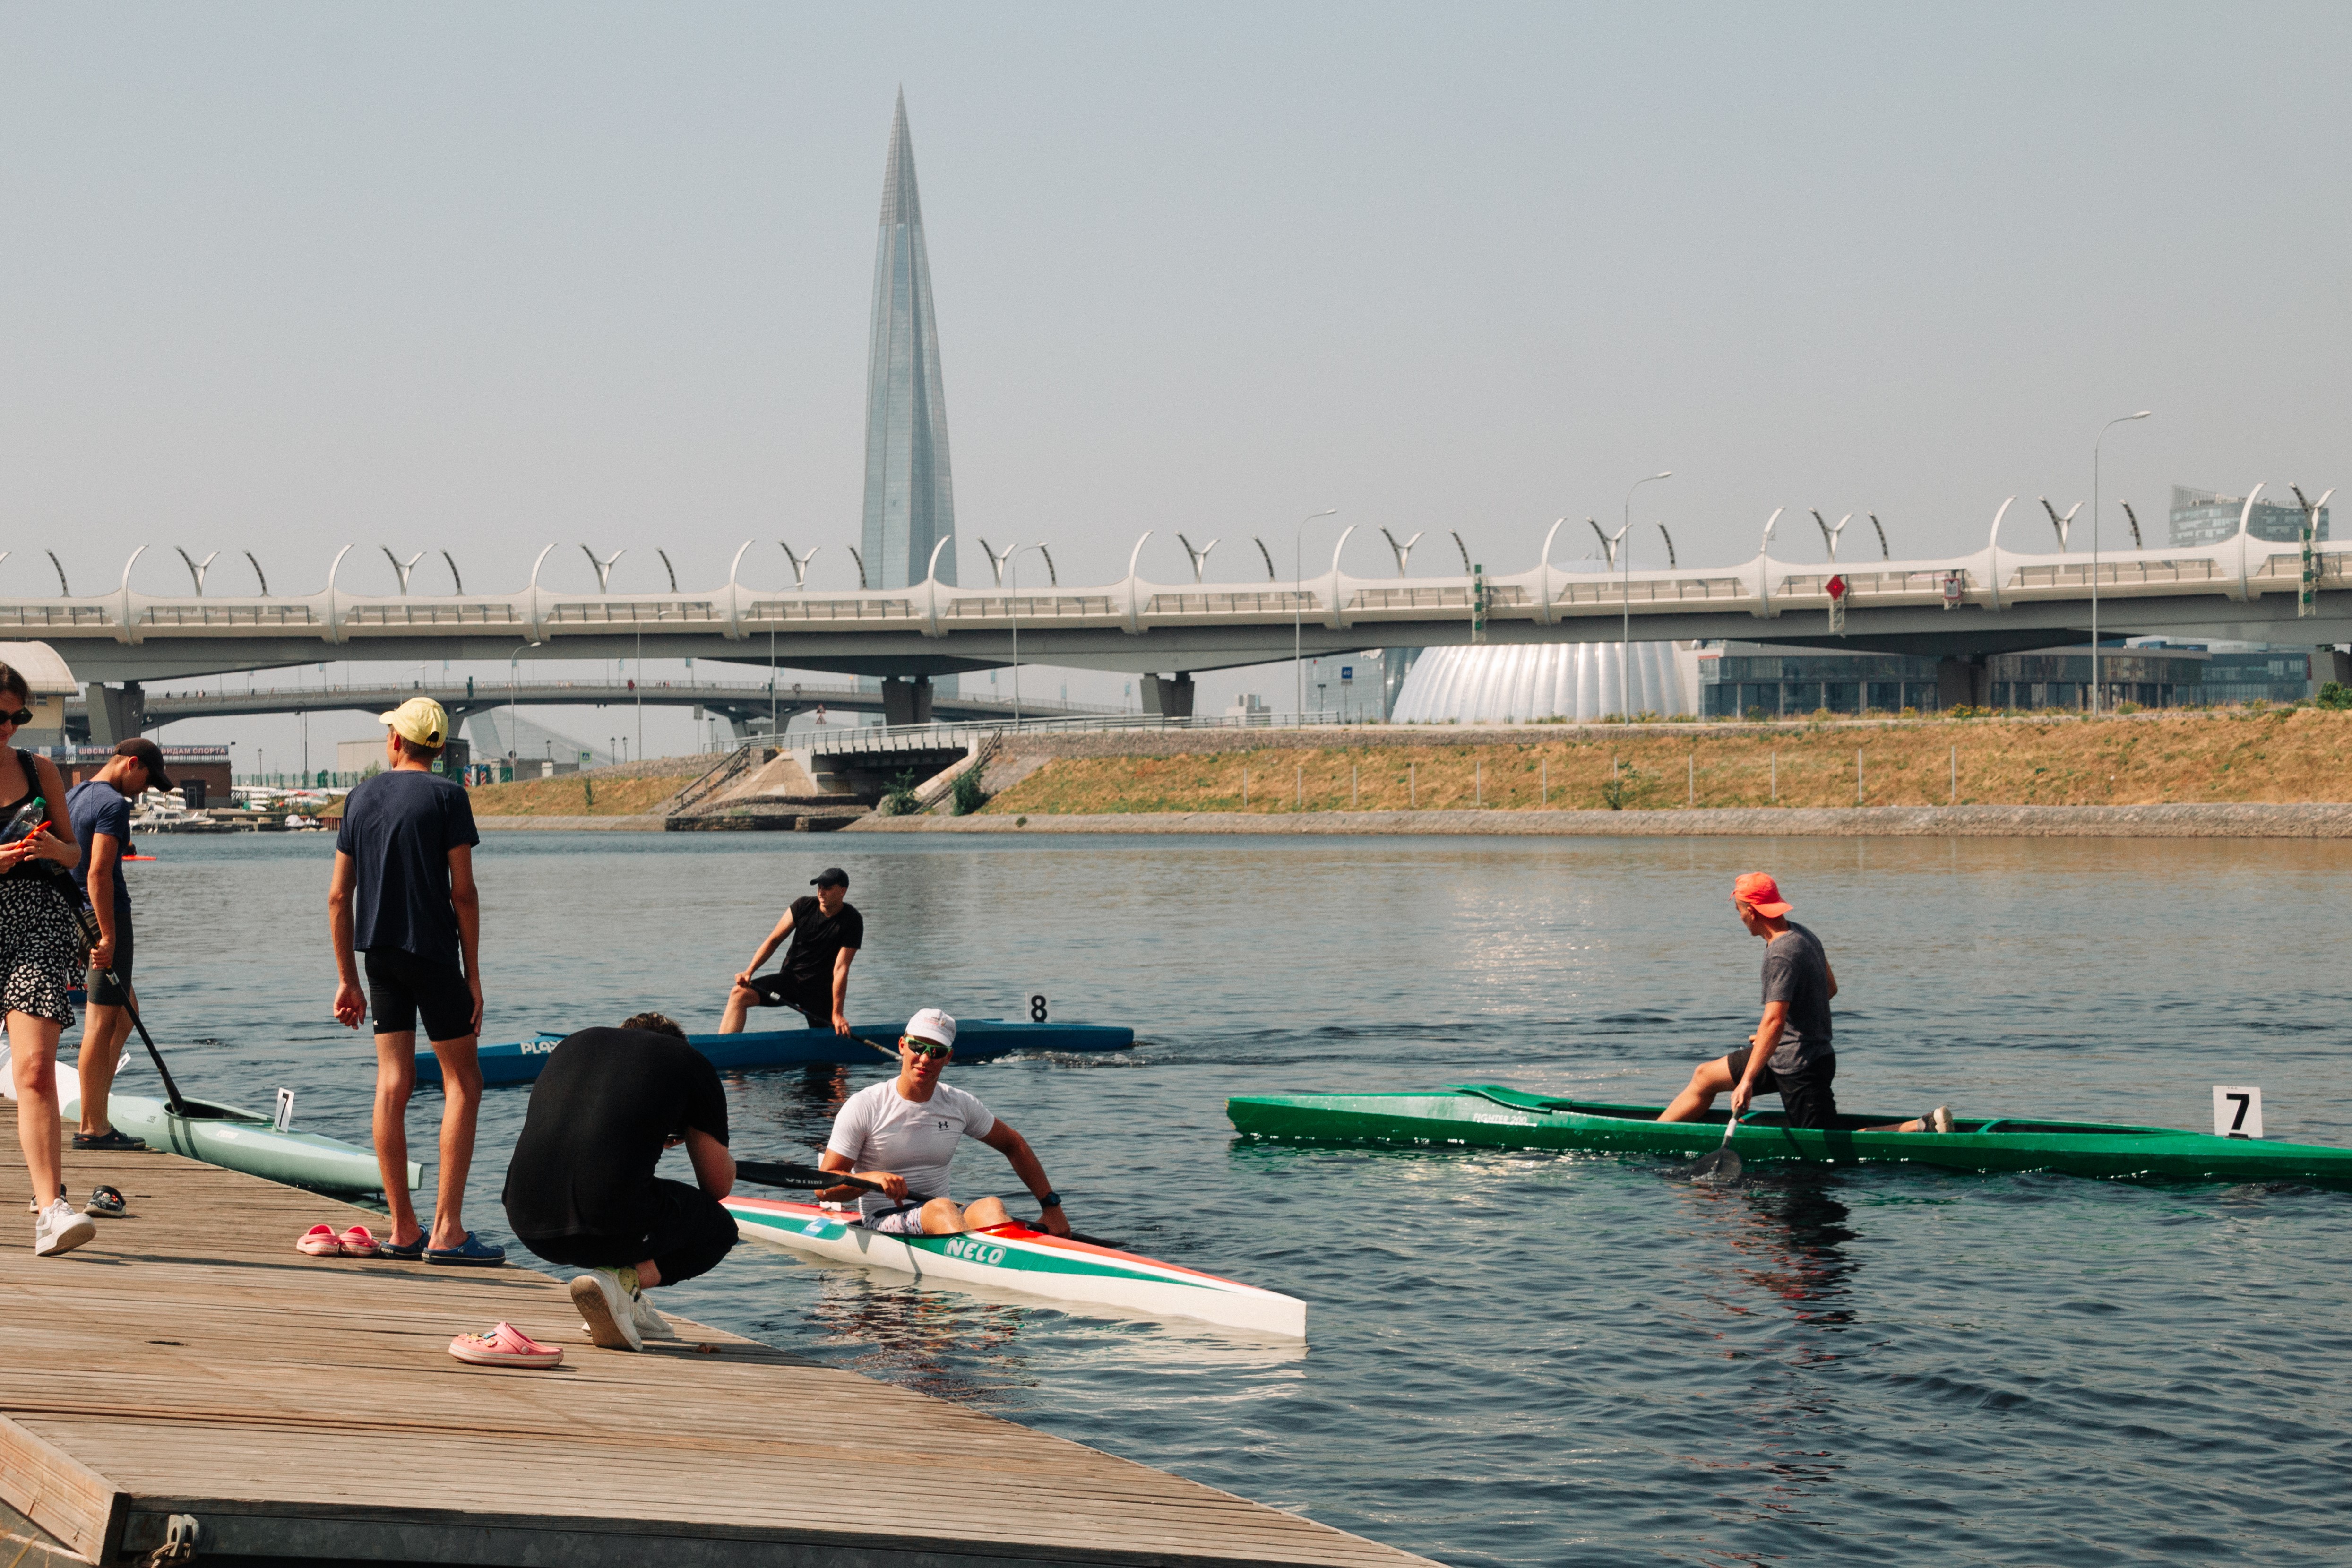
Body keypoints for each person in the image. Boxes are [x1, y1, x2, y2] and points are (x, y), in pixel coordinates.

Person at [327, 698, 501, 1265]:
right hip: (432, 954)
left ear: (397, 741)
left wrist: (347, 979)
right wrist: (473, 975)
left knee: (392, 1084)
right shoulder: (449, 796)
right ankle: (447, 1231)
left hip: (378, 957)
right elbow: (464, 893)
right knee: (464, 1083)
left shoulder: (359, 798)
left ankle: (403, 1229)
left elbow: (339, 897)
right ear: (439, 747)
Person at [500, 1012, 737, 1353]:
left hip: (527, 1224)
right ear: (676, 1042)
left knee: (624, 1193)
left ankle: (621, 1301)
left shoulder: (574, 1044)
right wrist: (688, 1130)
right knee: (718, 1229)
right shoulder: (689, 1060)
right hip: (607, 1225)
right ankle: (623, 1284)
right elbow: (717, 1185)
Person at [1659, 873, 1952, 1135]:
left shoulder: (1780, 953)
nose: (1739, 918)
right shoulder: (1802, 934)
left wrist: (1747, 1080)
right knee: (1705, 1076)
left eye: (1739, 911)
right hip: (1785, 1053)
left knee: (1829, 1145)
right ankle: (1652, 1133)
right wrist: (1778, 1035)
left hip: (1801, 1067)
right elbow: (1829, 989)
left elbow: (1774, 1020)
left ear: (1751, 911)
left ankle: (1918, 1127)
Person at [818, 1007, 1072, 1238]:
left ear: (948, 1057)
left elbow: (1014, 1144)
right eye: (918, 1047)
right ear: (903, 1045)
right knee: (940, 1208)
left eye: (936, 1052)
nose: (925, 1059)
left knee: (992, 1207)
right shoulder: (865, 1105)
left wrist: (1052, 1208)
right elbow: (824, 1187)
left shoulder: (959, 1104)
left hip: (943, 1215)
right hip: (882, 1219)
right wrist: (870, 1180)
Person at [0, 667, 96, 1257]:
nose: (9, 727)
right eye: (0, 715)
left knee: (35, 1069)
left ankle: (51, 1210)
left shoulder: (41, 771)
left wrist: (54, 849)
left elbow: (74, 852)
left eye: (18, 716)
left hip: (37, 922)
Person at [68, 739, 172, 1153]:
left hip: (75, 915)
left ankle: (97, 1107)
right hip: (104, 916)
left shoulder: (75, 795)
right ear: (132, 764)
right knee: (101, 1023)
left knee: (127, 1012)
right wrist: (108, 935)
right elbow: (98, 873)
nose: (145, 790)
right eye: (147, 779)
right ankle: (93, 1125)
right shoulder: (113, 804)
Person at [719, 866, 861, 1035]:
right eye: (820, 887)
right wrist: (750, 971)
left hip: (820, 991)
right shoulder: (803, 906)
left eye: (828, 888)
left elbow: (841, 968)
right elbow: (774, 940)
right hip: (790, 981)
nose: (821, 893)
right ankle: (723, 1046)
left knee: (830, 1037)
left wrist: (838, 1013)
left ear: (843, 891)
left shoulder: (852, 920)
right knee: (739, 995)